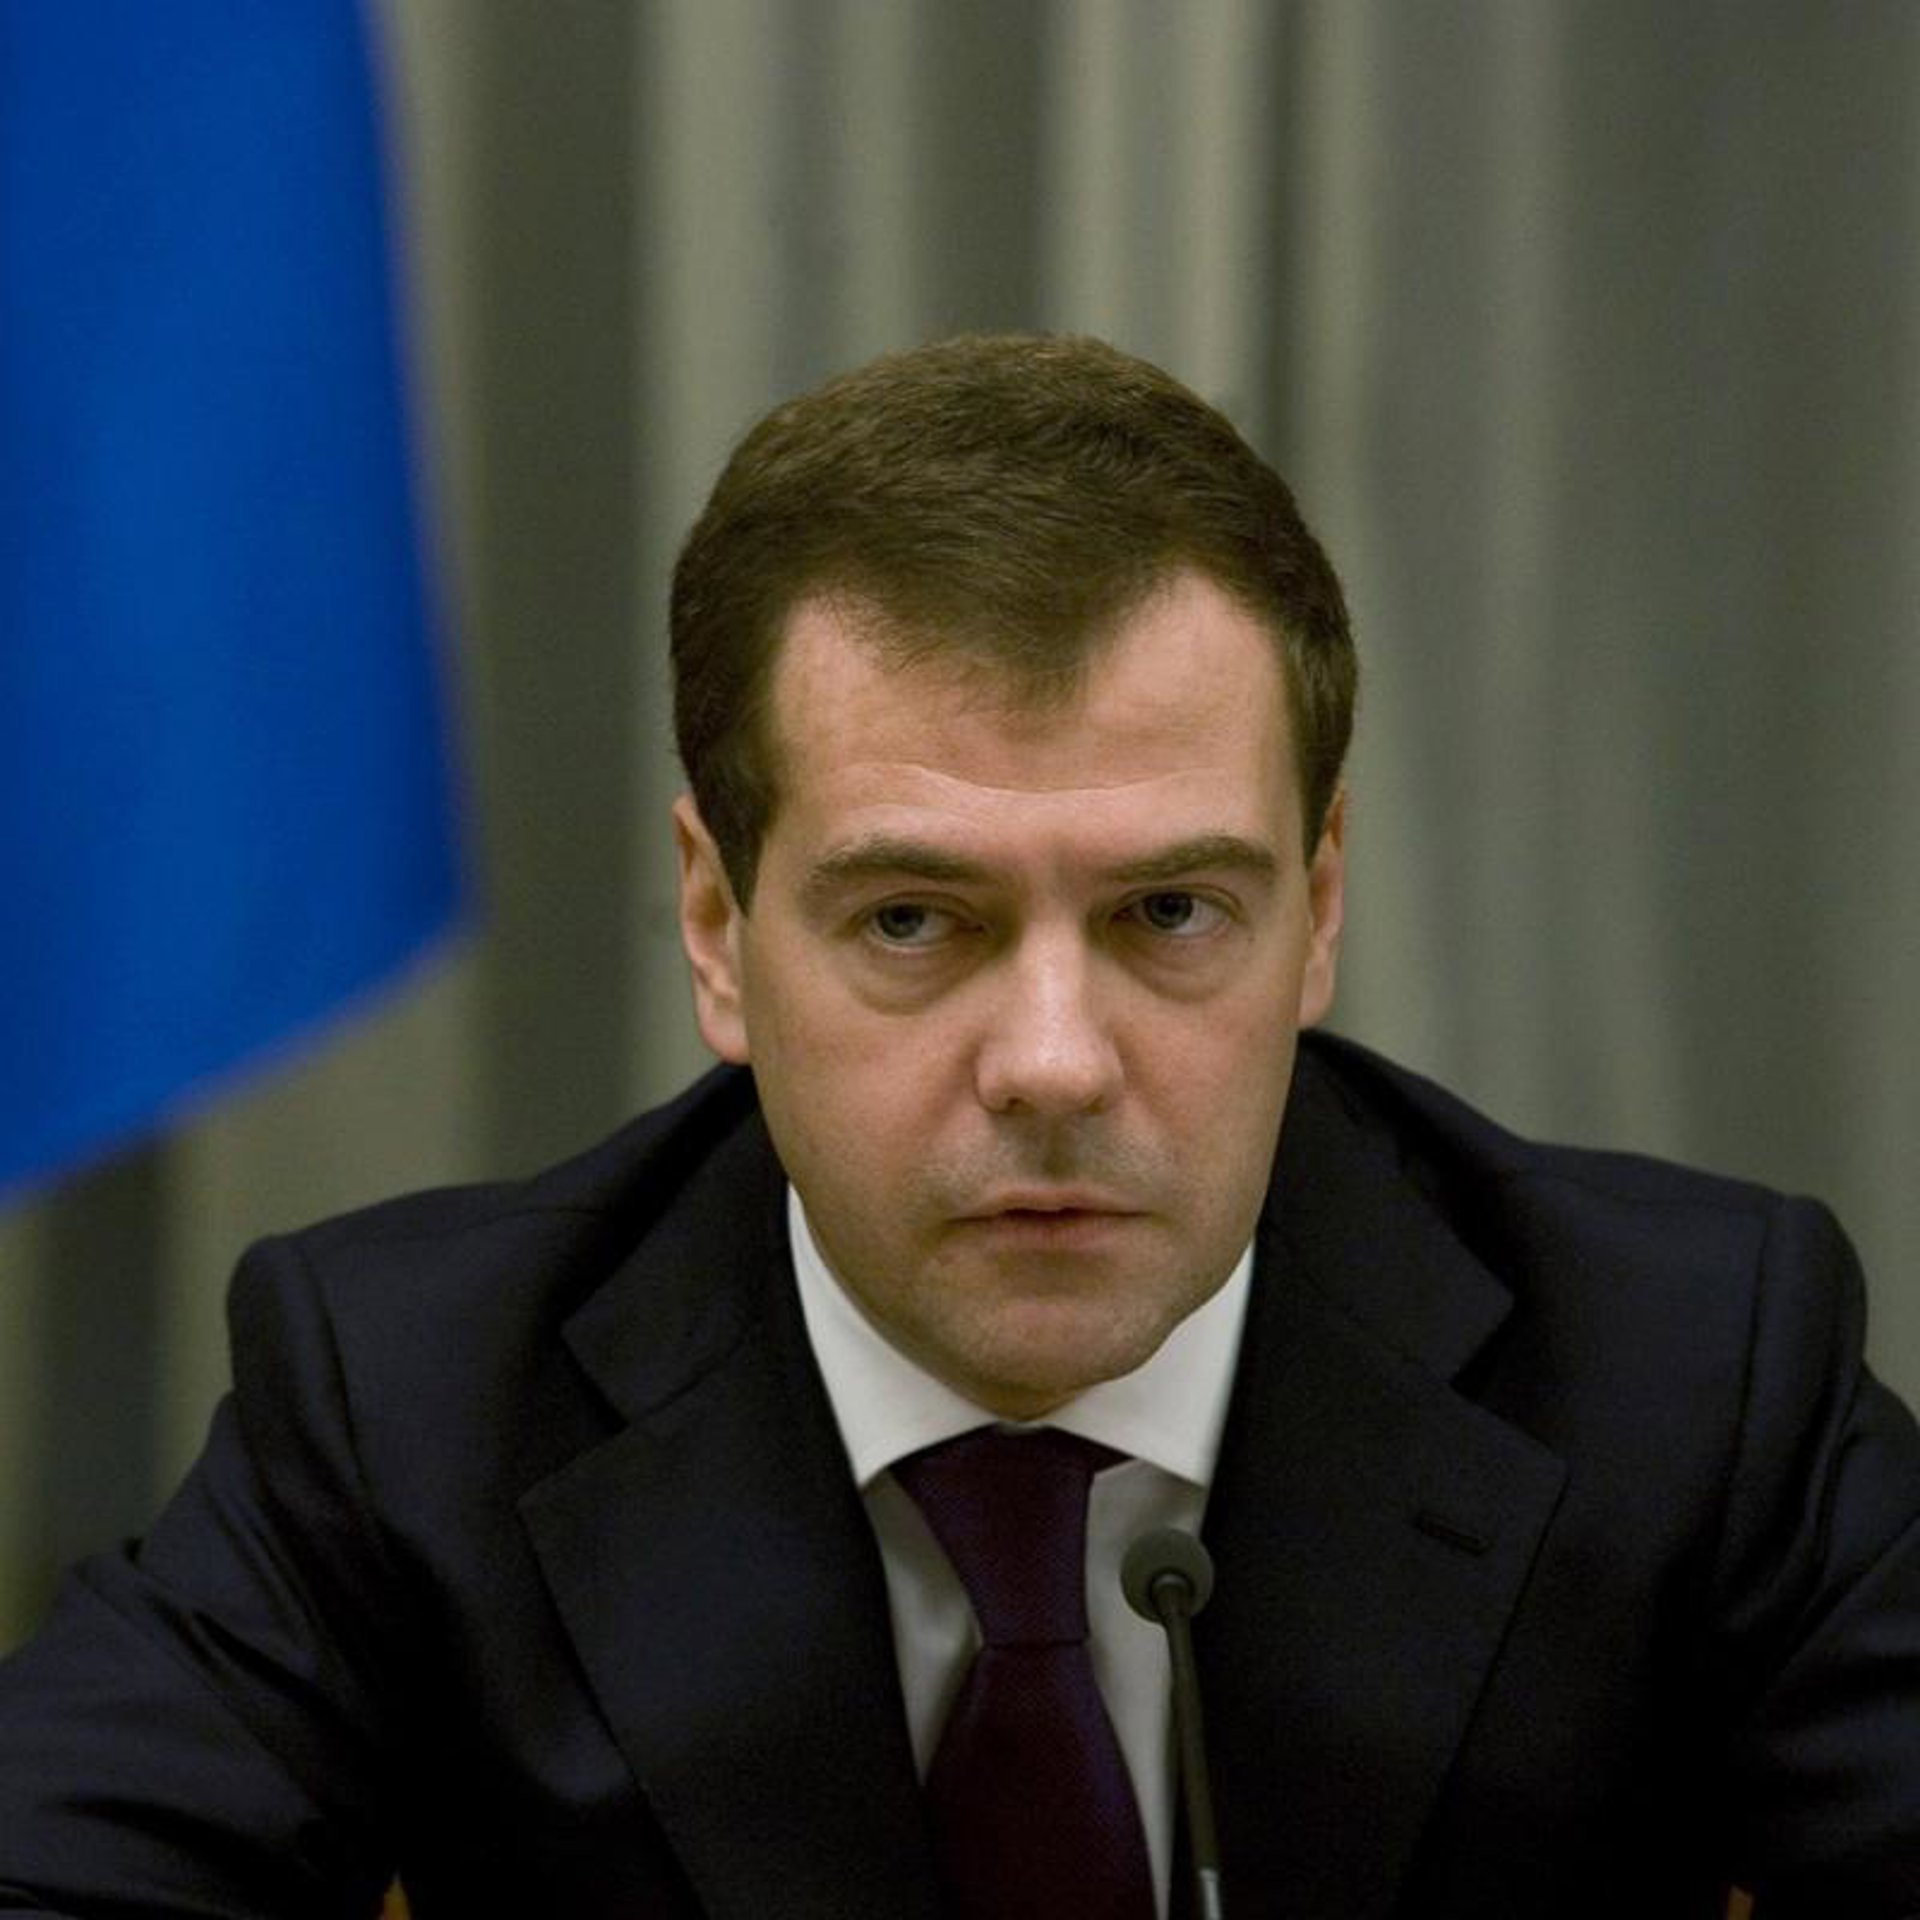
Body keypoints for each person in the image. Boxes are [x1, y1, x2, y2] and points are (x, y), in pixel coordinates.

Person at [2, 334, 1917, 1919]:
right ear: (717, 926)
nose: (1056, 1064)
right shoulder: (414, 1407)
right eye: (915, 921)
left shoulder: (1689, 1375)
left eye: (1171, 912)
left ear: (1319, 906)